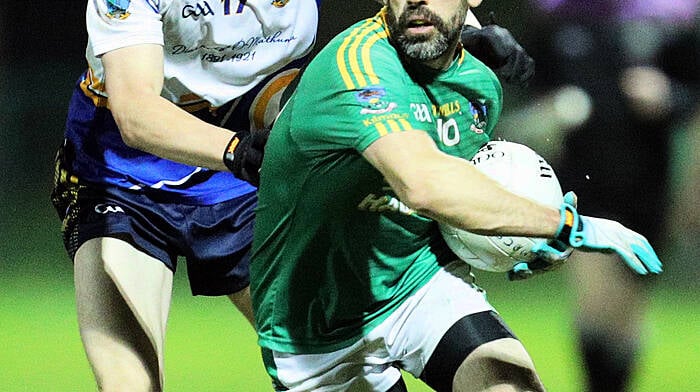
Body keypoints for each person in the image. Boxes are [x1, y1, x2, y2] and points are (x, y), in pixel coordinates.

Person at [49, 0, 536, 390]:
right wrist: (238, 151)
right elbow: (135, 112)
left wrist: (463, 28)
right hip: (121, 181)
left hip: (243, 184)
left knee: (341, 348)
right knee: (127, 383)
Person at [249, 0, 663, 391]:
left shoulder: (478, 86)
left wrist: (526, 244)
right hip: (314, 323)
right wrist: (566, 226)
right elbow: (424, 185)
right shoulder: (358, 66)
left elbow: (454, 199)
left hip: (420, 285)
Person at [507, 2, 699, 390]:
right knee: (595, 301)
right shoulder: (556, 18)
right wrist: (550, 114)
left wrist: (667, 96)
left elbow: (694, 99)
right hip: (582, 189)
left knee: (624, 316)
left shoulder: (670, 17)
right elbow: (533, 94)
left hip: (648, 187)